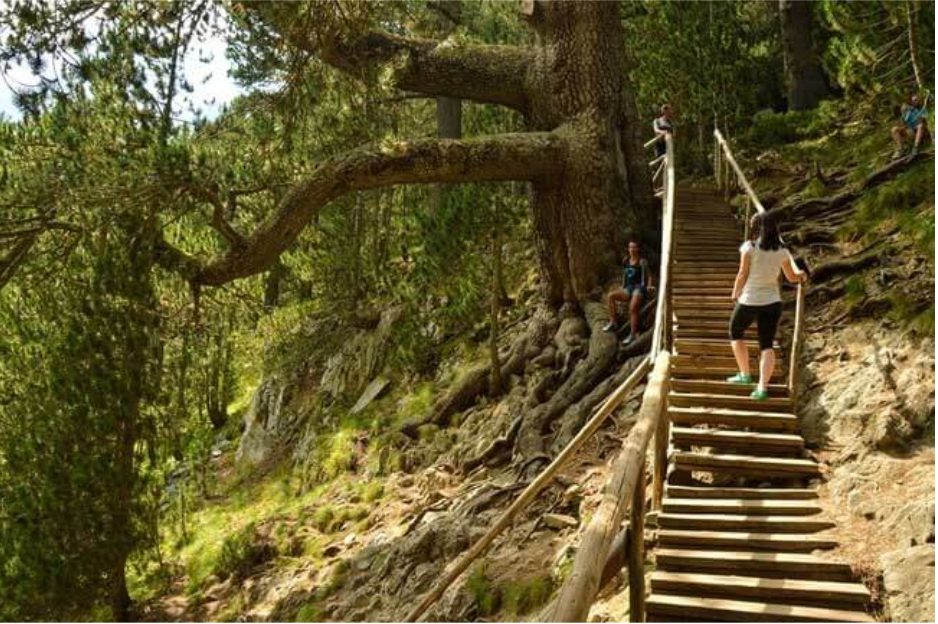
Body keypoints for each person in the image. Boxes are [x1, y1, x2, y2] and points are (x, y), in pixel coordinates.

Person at [727, 212, 806, 401]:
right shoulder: (782, 251)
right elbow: (791, 278)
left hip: (749, 300)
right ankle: (762, 388)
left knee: (735, 331)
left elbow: (742, 274)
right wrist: (802, 275)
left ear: (757, 228)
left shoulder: (749, 248)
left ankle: (745, 374)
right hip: (773, 302)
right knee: (766, 344)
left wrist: (735, 293)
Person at [604, 239, 655, 346]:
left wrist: (649, 285)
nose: (632, 249)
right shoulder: (626, 260)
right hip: (628, 288)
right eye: (630, 247)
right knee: (610, 296)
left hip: (639, 288)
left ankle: (632, 334)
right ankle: (613, 322)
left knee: (632, 307)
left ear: (638, 249)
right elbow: (625, 273)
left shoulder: (642, 261)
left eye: (634, 247)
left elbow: (649, 275)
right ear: (628, 249)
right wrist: (622, 285)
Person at [891, 93, 929, 159]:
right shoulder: (908, 111)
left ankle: (915, 148)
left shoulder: (922, 109)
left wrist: (919, 117)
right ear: (911, 101)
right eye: (914, 100)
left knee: (920, 126)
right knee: (894, 129)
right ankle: (901, 150)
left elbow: (924, 120)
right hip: (911, 131)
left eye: (917, 100)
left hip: (920, 131)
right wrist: (904, 112)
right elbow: (904, 124)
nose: (916, 101)